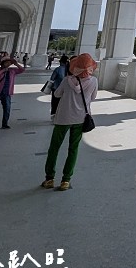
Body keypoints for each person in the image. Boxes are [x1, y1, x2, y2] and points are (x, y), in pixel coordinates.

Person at [42, 53, 99, 191]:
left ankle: (49, 178)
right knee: (73, 149)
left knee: (54, 148)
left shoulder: (67, 80)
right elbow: (93, 98)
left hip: (63, 118)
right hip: (80, 119)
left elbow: (56, 94)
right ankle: (66, 180)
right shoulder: (93, 81)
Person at [0, 56, 26, 131]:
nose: (8, 64)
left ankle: (5, 124)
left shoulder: (12, 71)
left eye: (9, 63)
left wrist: (16, 64)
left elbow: (22, 70)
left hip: (7, 93)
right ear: (3, 63)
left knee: (7, 109)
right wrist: (3, 70)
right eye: (7, 62)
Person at [48, 55, 70, 119]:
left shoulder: (58, 69)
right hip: (65, 90)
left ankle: (54, 114)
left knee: (55, 102)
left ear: (61, 62)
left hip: (56, 88)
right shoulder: (69, 70)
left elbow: (52, 79)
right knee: (63, 103)